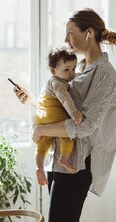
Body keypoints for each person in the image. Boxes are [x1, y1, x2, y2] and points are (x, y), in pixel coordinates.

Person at [14, 8, 116, 222]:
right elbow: (63, 110)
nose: (66, 39)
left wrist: (41, 129)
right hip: (62, 163)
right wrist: (32, 100)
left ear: (89, 33)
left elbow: (84, 126)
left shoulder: (104, 74)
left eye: (70, 33)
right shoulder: (81, 69)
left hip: (78, 166)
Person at [34, 47, 83, 186]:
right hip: (55, 116)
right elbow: (65, 98)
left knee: (41, 145)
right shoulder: (58, 83)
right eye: (66, 70)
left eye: (74, 69)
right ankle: (64, 158)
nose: (72, 73)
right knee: (68, 133)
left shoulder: (49, 82)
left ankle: (39, 167)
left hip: (41, 118)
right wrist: (74, 113)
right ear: (53, 70)